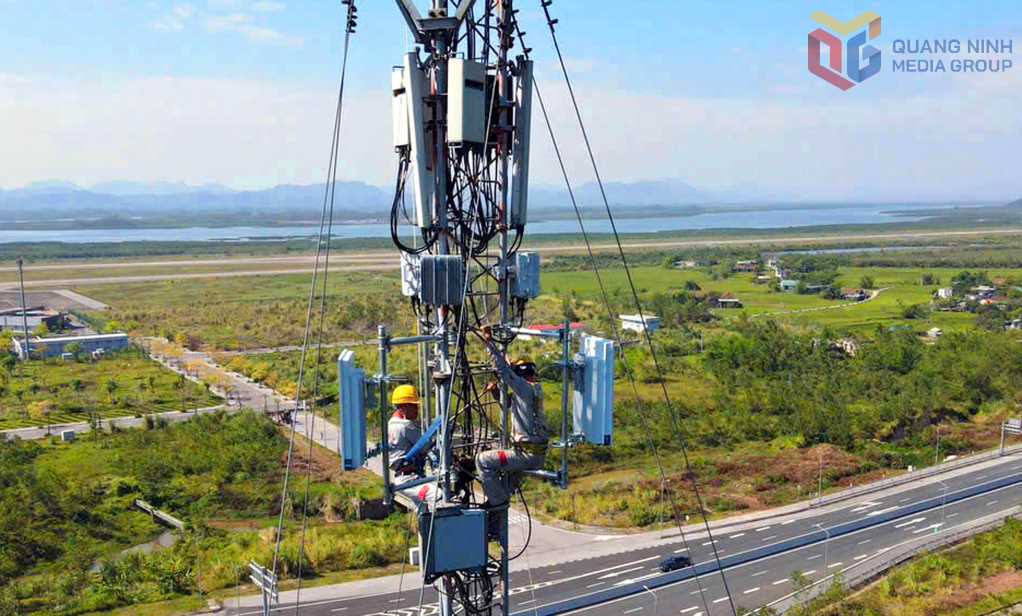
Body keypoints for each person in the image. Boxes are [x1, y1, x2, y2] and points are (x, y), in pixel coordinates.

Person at [475, 331, 549, 508]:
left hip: (525, 454)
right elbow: (509, 404)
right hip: (533, 454)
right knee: (505, 484)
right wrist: (496, 392)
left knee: (483, 461)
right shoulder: (533, 390)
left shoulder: (524, 387)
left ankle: (497, 501)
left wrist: (489, 343)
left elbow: (503, 371)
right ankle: (499, 506)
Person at [388, 384, 423, 474]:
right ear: (404, 406)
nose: (417, 409)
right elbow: (426, 446)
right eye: (414, 406)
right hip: (411, 476)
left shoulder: (391, 423)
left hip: (400, 475)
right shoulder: (406, 426)